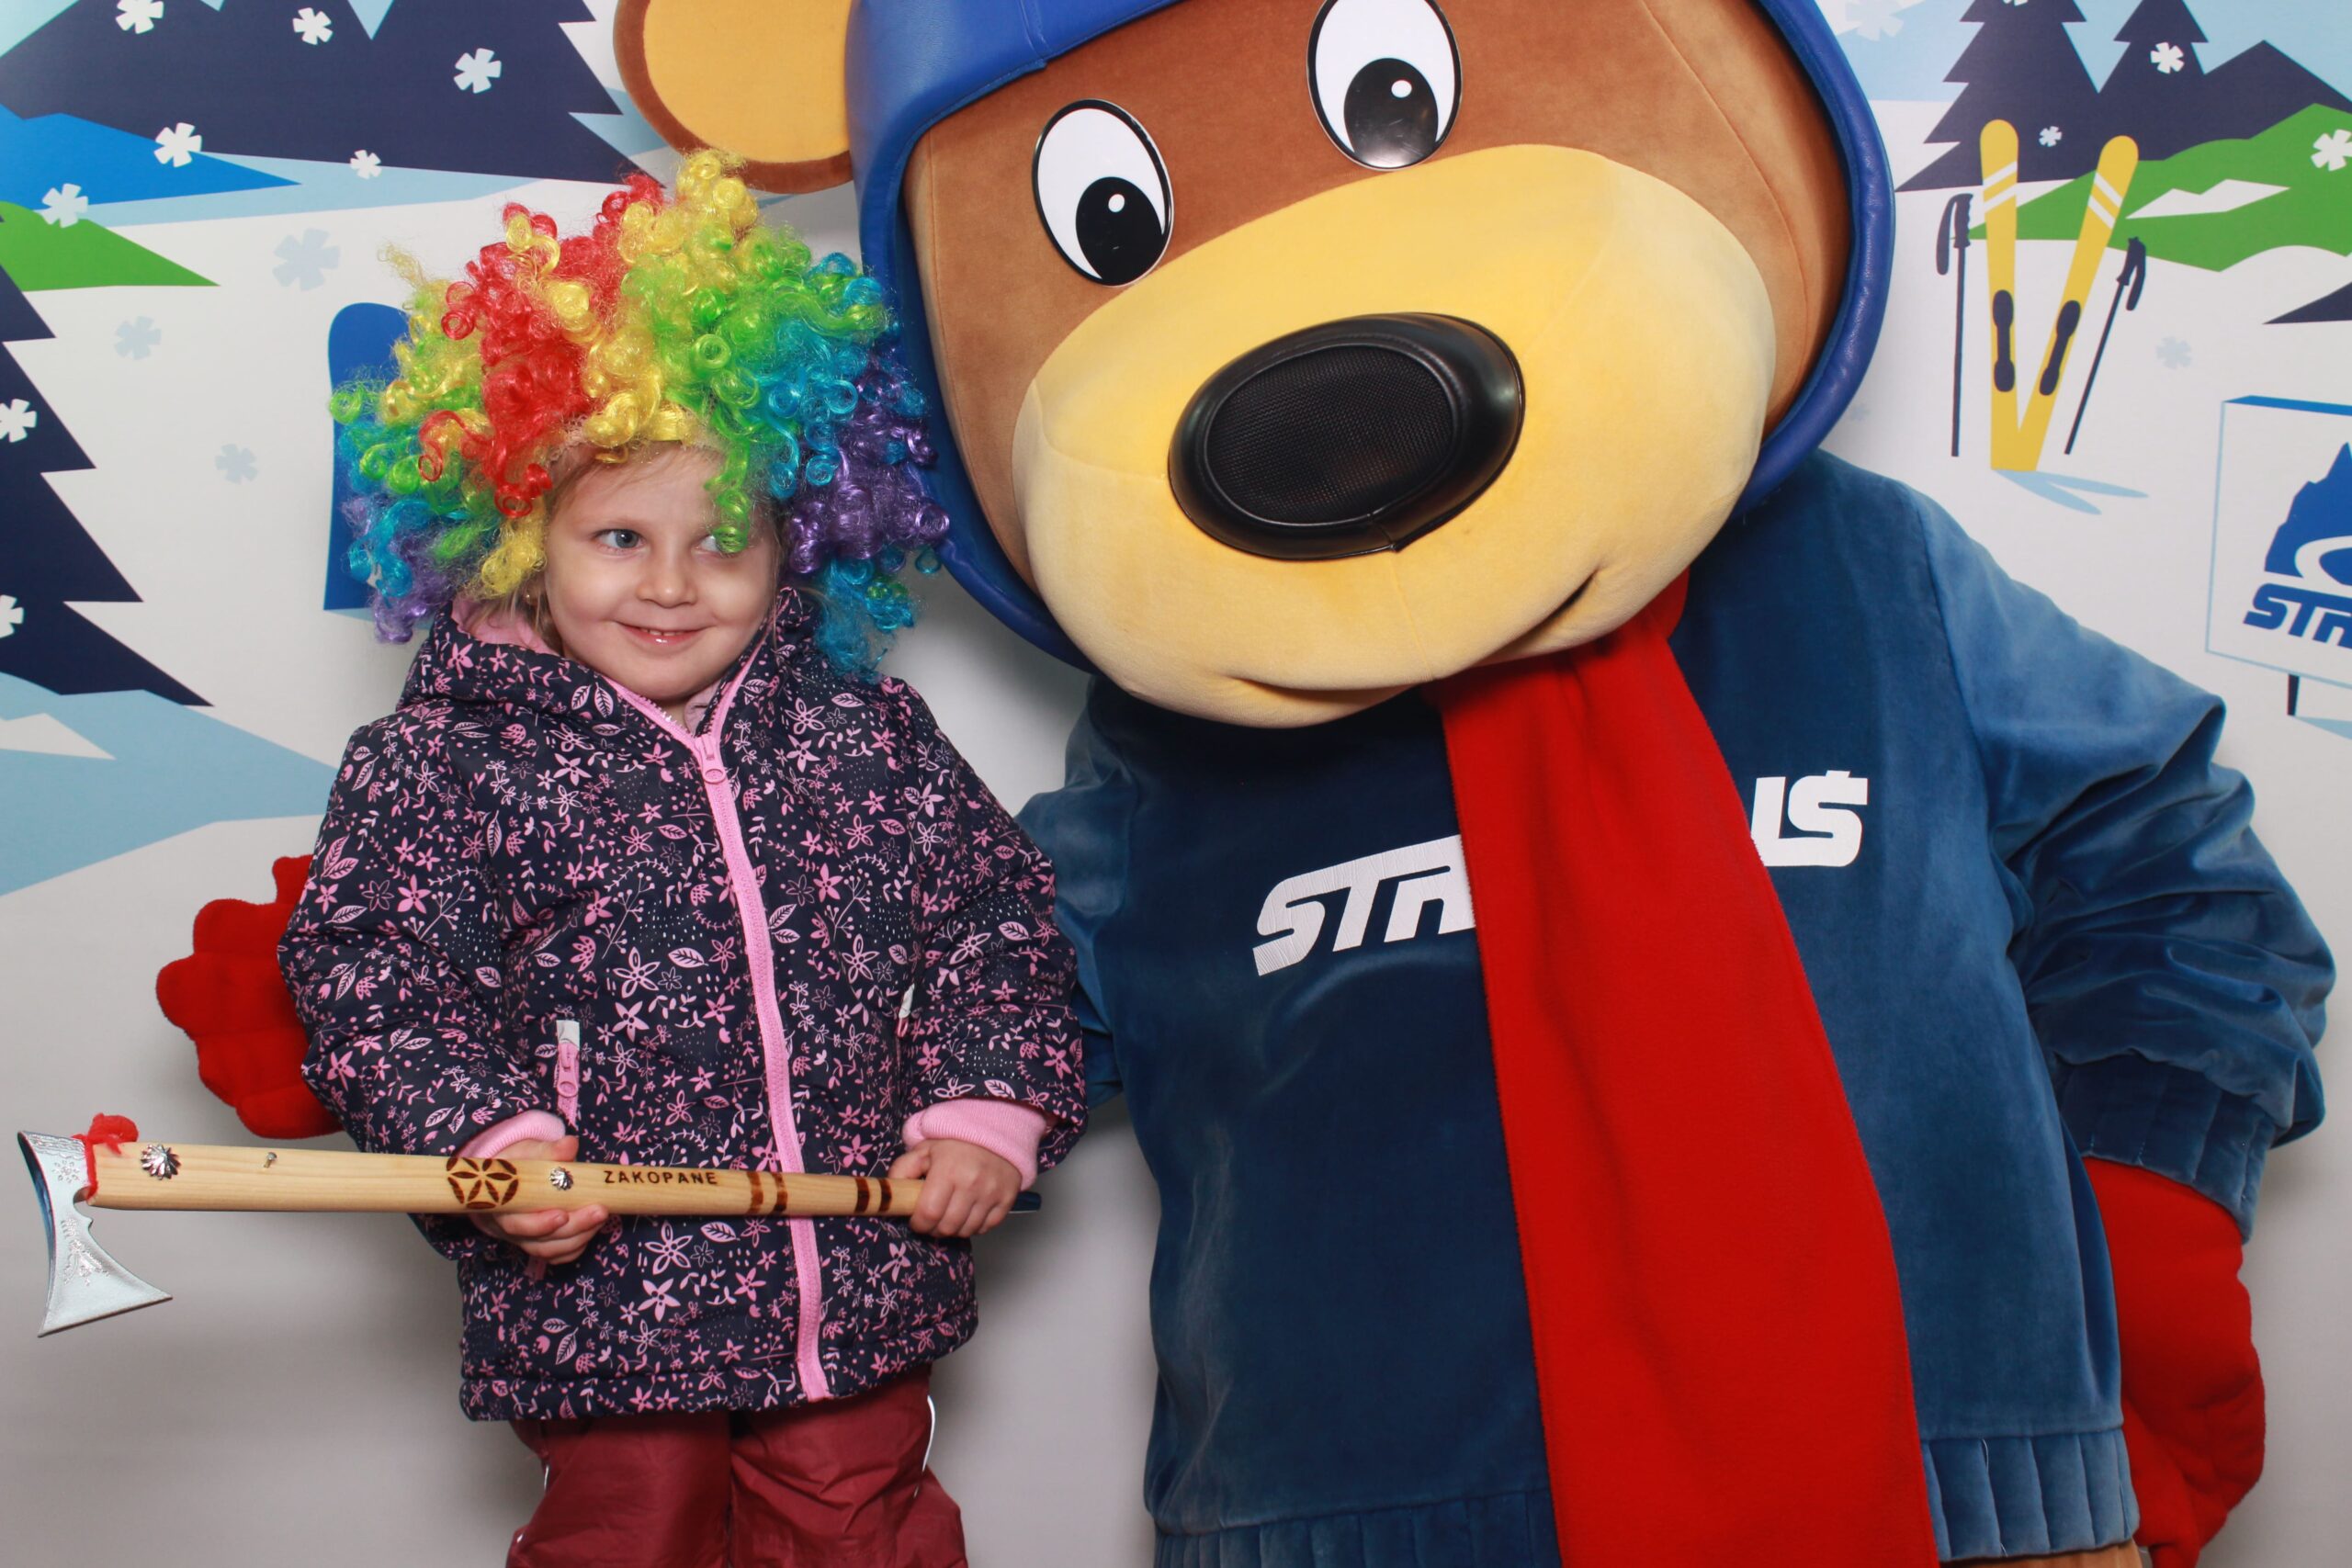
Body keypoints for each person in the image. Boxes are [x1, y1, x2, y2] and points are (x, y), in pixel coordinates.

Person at [279, 152, 1085, 1568]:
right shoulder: (446, 761)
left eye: (721, 542)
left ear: (797, 542)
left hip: (850, 1276)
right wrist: (491, 1144)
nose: (667, 583)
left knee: (859, 1523)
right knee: (631, 1529)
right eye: (618, 536)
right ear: (522, 537)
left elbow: (996, 921)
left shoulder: (867, 740)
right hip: (601, 1291)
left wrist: (985, 1106)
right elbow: (373, 978)